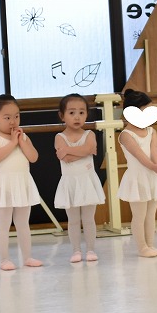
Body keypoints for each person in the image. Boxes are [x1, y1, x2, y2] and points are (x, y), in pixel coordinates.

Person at [0, 94, 44, 270]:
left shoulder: (23, 137)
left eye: (16, 116)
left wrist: (21, 141)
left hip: (22, 184)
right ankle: (4, 259)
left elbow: (33, 157)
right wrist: (12, 142)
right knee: (3, 224)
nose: (13, 121)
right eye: (7, 117)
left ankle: (27, 257)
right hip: (4, 185)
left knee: (23, 223)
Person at [117, 88, 157, 258]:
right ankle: (142, 247)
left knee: (150, 215)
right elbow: (139, 156)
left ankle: (150, 245)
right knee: (139, 215)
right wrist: (155, 167)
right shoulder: (126, 135)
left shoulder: (151, 131)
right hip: (137, 177)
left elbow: (155, 150)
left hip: (152, 176)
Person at [53, 93, 104, 263]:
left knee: (89, 219)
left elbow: (89, 148)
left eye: (81, 112)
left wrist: (69, 150)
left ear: (87, 115)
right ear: (62, 116)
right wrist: (83, 151)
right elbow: (66, 159)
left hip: (88, 181)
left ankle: (90, 249)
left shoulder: (89, 134)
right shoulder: (59, 137)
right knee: (73, 220)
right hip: (70, 183)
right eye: (72, 112)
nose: (77, 117)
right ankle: (76, 250)